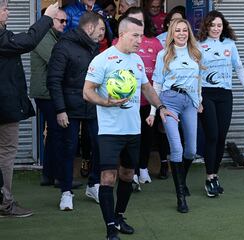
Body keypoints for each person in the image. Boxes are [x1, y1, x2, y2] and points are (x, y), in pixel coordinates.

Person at [83, 16, 176, 240]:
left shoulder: (136, 61)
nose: (140, 40)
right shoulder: (102, 60)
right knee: (107, 177)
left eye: (141, 36)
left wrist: (161, 107)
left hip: (133, 130)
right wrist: (107, 102)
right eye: (135, 35)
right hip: (109, 131)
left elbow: (146, 88)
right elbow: (87, 91)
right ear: (122, 34)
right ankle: (109, 227)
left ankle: (119, 216)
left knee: (126, 175)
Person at [0, 1, 59, 217]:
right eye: (4, 8)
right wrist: (47, 17)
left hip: (6, 105)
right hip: (4, 107)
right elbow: (29, 41)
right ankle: (5, 203)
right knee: (6, 152)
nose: (8, 11)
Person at [47, 12, 105, 210]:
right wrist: (60, 109)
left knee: (99, 145)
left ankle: (94, 184)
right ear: (89, 28)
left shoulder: (94, 47)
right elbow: (53, 80)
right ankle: (66, 192)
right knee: (69, 149)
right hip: (69, 109)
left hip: (93, 106)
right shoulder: (63, 46)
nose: (102, 34)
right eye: (101, 29)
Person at [198, 10, 244, 197]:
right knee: (212, 135)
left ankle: (215, 176)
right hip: (206, 93)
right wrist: (196, 97)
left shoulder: (229, 44)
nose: (216, 28)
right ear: (207, 26)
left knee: (221, 136)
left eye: (219, 25)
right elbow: (194, 72)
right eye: (212, 25)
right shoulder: (199, 45)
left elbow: (238, 66)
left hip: (225, 95)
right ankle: (208, 177)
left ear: (224, 27)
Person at [152, 18, 203, 213]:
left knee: (191, 150)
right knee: (177, 148)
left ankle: (181, 179)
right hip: (169, 101)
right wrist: (154, 109)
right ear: (171, 33)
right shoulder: (163, 54)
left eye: (184, 30)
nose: (181, 33)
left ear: (189, 32)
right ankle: (180, 195)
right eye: (177, 30)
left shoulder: (196, 52)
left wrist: (199, 101)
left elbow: (198, 80)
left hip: (190, 103)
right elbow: (157, 83)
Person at [114, 7, 163, 190]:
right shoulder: (116, 45)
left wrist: (158, 103)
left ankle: (143, 167)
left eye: (139, 21)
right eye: (132, 20)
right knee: (128, 139)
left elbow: (159, 73)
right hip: (125, 103)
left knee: (146, 137)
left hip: (146, 102)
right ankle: (129, 171)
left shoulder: (155, 43)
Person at [30, 9, 67, 187]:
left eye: (66, 21)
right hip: (46, 93)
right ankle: (59, 176)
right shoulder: (44, 37)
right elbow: (57, 61)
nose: (64, 24)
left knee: (54, 133)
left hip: (48, 92)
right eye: (61, 21)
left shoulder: (51, 36)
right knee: (58, 133)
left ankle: (49, 174)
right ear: (51, 20)